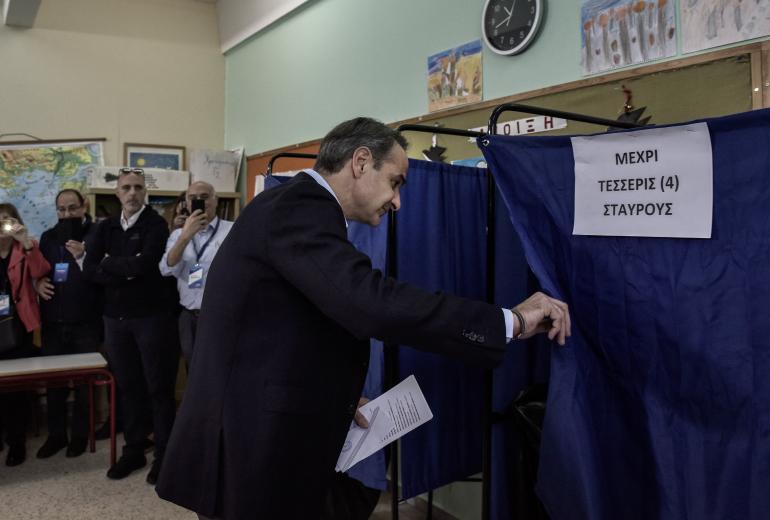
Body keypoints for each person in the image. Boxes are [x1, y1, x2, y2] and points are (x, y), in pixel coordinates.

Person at [156, 118, 571, 520]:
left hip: (257, 433)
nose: (398, 201)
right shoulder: (299, 207)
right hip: (246, 447)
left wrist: (334, 394)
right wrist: (510, 321)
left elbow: (283, 328)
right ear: (359, 162)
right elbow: (372, 303)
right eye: (395, 182)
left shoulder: (295, 208)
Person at [83, 168, 178, 484]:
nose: (133, 192)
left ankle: (164, 456)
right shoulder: (106, 226)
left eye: (138, 187)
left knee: (158, 388)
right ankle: (135, 448)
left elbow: (146, 264)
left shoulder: (156, 225)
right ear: (117, 193)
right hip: (115, 320)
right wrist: (121, 268)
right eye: (127, 187)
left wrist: (111, 263)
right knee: (128, 387)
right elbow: (90, 269)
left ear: (145, 192)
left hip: (152, 318)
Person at [34, 189, 103, 459]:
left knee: (85, 384)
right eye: (61, 209)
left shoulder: (98, 234)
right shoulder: (48, 237)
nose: (66, 214)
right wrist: (37, 283)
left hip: (86, 322)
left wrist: (84, 255)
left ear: (83, 206)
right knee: (55, 384)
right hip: (52, 322)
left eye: (72, 208)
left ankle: (79, 436)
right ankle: (56, 435)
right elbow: (37, 270)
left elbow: (102, 274)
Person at [159, 181, 233, 367]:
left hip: (221, 313)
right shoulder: (178, 235)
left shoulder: (231, 230)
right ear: (186, 203)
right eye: (193, 198)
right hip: (189, 315)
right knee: (193, 368)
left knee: (221, 367)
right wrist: (185, 236)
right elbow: (166, 269)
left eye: (205, 197)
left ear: (216, 200)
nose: (199, 201)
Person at [0, 203, 51, 467]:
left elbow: (41, 271)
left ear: (16, 222)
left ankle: (16, 442)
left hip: (19, 326)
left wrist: (26, 242)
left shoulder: (25, 246)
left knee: (15, 389)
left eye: (6, 221)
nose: (2, 226)